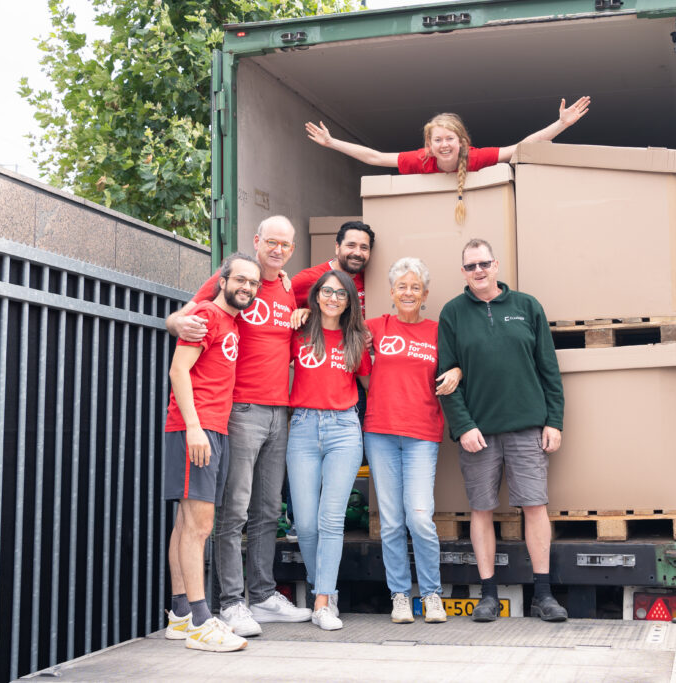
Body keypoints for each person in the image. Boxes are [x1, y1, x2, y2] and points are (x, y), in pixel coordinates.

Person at [166, 215, 312, 638]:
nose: (278, 250)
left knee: (268, 510)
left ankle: (263, 595)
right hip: (238, 411)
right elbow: (185, 318)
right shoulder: (234, 281)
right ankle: (231, 601)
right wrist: (176, 323)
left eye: (286, 244)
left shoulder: (288, 286)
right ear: (256, 241)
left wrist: (300, 313)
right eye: (271, 242)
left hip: (278, 411)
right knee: (233, 512)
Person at [437, 238, 567, 623]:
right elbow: (445, 377)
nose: (478, 271)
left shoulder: (527, 307)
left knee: (534, 506)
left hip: (527, 428)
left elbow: (549, 371)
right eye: (471, 266)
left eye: (484, 263)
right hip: (478, 433)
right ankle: (488, 595)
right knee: (481, 510)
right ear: (463, 272)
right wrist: (462, 427)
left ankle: (543, 596)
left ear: (496, 266)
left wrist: (554, 421)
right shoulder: (453, 314)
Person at [163, 252, 260, 652]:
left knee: (187, 524)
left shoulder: (229, 322)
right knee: (201, 526)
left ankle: (181, 615)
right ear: (222, 281)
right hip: (197, 430)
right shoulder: (205, 314)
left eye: (253, 283)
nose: (247, 288)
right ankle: (203, 622)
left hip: (210, 428)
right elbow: (178, 370)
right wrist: (194, 428)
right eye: (240, 280)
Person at [363, 257, 463, 624]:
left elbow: (461, 359)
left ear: (425, 294)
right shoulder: (376, 327)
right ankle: (400, 595)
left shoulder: (438, 331)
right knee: (390, 521)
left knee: (419, 518)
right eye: (401, 286)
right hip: (380, 432)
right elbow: (336, 332)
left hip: (422, 434)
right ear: (391, 292)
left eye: (415, 287)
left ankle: (432, 594)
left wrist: (456, 369)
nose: (408, 292)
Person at [305, 97, 590, 222]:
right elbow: (376, 157)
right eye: (437, 140)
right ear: (428, 145)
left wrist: (561, 124)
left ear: (462, 142)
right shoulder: (421, 160)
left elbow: (521, 148)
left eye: (449, 139)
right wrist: (332, 142)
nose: (444, 145)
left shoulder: (475, 158)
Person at [286, 270, 373, 631]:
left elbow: (370, 377)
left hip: (343, 429)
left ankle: (322, 600)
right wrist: (296, 313)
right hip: (303, 427)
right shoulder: (299, 332)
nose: (333, 297)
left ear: (350, 300)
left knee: (330, 519)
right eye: (327, 291)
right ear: (317, 295)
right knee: (305, 523)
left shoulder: (356, 339)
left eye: (341, 293)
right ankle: (325, 587)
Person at [292, 220, 374, 317]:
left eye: (364, 248)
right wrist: (308, 314)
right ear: (337, 247)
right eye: (351, 246)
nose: (357, 253)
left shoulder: (370, 278)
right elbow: (279, 309)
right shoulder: (309, 278)